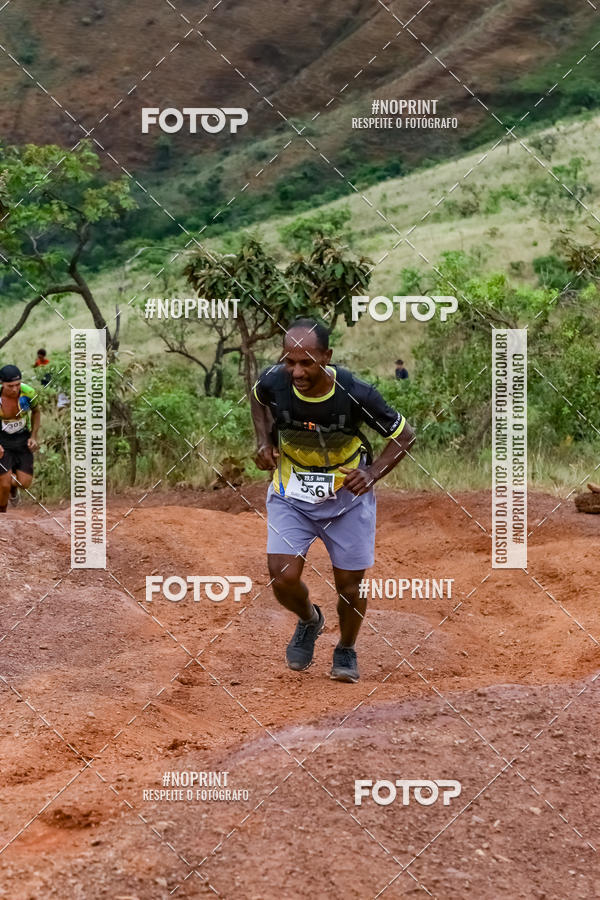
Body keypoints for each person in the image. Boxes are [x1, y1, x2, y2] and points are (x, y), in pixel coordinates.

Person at [251, 318, 415, 683]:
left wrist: (372, 474)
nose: (296, 371)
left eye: (307, 362)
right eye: (289, 361)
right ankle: (310, 620)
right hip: (291, 490)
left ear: (327, 356)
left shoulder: (356, 392)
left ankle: (346, 647)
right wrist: (264, 442)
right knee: (282, 576)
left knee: (350, 586)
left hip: (346, 497)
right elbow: (258, 398)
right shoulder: (274, 380)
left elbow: (405, 435)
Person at [0, 365, 41, 512]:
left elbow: (36, 412)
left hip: (22, 438)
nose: (14, 389)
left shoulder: (28, 393)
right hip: (2, 440)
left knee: (24, 483)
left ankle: (12, 488)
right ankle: (3, 519)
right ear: (1, 383)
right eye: (10, 386)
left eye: (17, 385)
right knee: (3, 483)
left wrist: (33, 436)